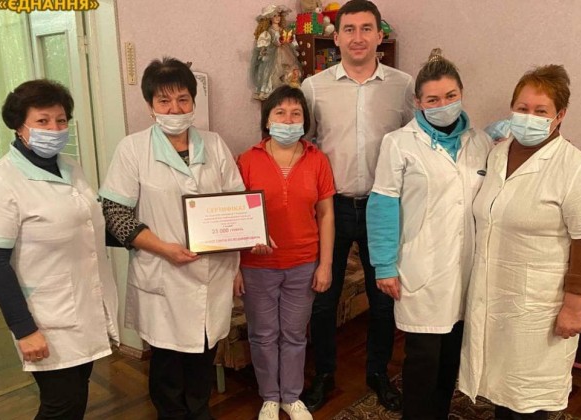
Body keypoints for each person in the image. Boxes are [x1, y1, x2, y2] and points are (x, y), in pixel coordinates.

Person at [459, 65, 581, 419]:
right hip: (493, 296)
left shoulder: (577, 169)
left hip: (539, 306)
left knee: (527, 401)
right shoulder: (497, 154)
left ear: (560, 115)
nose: (529, 117)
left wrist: (574, 308)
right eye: (522, 108)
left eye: (540, 111)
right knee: (500, 392)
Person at [99, 57, 244, 420]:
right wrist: (165, 249)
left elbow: (236, 204)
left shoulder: (214, 144)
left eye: (183, 99)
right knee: (167, 361)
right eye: (164, 101)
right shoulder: (133, 149)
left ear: (194, 102)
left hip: (213, 271)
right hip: (163, 271)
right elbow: (115, 213)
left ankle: (200, 411)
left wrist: (239, 261)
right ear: (150, 106)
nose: (175, 109)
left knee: (204, 354)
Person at [0, 79, 119, 419]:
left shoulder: (71, 167)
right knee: (61, 404)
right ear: (18, 125)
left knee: (75, 395)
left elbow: (87, 225)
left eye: (61, 120)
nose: (55, 129)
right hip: (46, 317)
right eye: (43, 120)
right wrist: (24, 329)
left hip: (83, 307)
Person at [299, 0, 415, 412]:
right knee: (323, 298)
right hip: (330, 208)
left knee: (382, 298)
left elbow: (414, 142)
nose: (358, 37)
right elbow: (305, 145)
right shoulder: (314, 87)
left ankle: (378, 373)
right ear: (336, 37)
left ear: (380, 35)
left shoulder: (403, 85)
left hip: (383, 208)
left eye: (367, 28)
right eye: (349, 29)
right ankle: (324, 374)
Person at [367, 49, 493, 419]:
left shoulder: (480, 143)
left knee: (452, 353)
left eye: (450, 96)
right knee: (423, 358)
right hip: (420, 267)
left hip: (465, 268)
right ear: (418, 102)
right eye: (433, 99)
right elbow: (383, 205)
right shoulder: (399, 143)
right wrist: (384, 266)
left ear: (462, 94)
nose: (443, 105)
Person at [234, 85, 335, 420]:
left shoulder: (317, 160)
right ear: (267, 120)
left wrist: (325, 264)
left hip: (303, 263)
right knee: (263, 335)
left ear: (305, 121)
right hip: (256, 265)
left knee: (294, 334)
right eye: (280, 113)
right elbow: (235, 216)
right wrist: (235, 267)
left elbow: (326, 215)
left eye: (296, 114)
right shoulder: (247, 160)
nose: (288, 120)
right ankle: (269, 397)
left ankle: (291, 396)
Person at [250, 4, 302, 101]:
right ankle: (270, 90)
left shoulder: (283, 29)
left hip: (285, 51)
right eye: (275, 16)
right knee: (272, 71)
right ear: (269, 18)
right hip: (274, 54)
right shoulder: (269, 31)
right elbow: (266, 43)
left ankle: (288, 87)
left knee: (288, 68)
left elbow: (290, 39)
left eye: (278, 15)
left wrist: (291, 42)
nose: (277, 18)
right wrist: (264, 50)